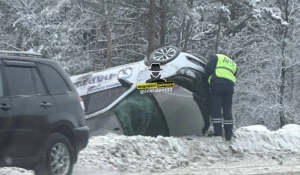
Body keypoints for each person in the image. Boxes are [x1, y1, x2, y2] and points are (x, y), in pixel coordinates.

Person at [205, 53, 237, 141]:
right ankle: (228, 134)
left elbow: (208, 69)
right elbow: (234, 74)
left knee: (216, 109)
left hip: (218, 83)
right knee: (227, 109)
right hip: (230, 86)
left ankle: (218, 133)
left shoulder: (216, 57)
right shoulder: (233, 63)